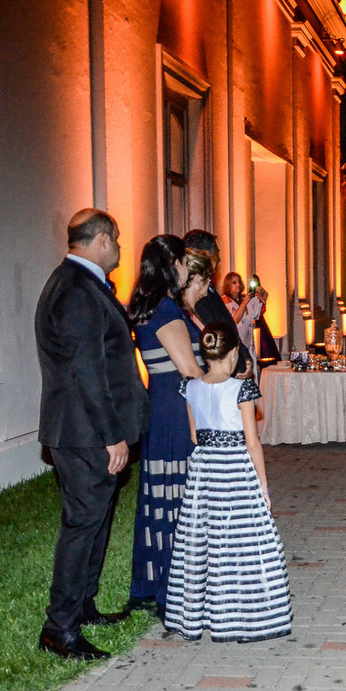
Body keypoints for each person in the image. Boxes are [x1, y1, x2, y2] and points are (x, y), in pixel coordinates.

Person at [35, 208, 148, 660]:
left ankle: (82, 607)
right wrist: (111, 435)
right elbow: (87, 371)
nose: (120, 248)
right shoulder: (78, 291)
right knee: (82, 525)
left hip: (81, 430)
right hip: (85, 433)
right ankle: (58, 629)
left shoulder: (74, 283)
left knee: (95, 519)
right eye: (117, 239)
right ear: (101, 240)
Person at [163, 323, 292, 643]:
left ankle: (200, 613)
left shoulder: (189, 387)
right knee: (246, 542)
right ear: (234, 353)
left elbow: (195, 436)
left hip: (205, 474)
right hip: (235, 472)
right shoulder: (241, 389)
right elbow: (253, 442)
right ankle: (246, 614)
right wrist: (263, 488)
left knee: (204, 542)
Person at [126, 234, 205, 617]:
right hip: (176, 408)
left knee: (163, 494)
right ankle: (173, 587)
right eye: (183, 261)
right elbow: (189, 369)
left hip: (163, 403)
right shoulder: (166, 311)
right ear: (171, 264)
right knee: (178, 495)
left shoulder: (153, 306)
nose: (187, 268)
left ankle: (159, 581)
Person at [184, 230, 252, 377]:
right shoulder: (196, 295)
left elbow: (228, 325)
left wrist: (244, 355)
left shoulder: (209, 288)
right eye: (216, 252)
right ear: (204, 254)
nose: (219, 259)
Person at [220, 271, 266, 376]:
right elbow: (234, 320)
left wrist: (257, 286)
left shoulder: (244, 298)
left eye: (239, 282)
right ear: (228, 285)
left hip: (248, 341)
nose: (238, 285)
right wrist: (245, 302)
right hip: (236, 342)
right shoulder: (225, 300)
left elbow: (264, 298)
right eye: (234, 282)